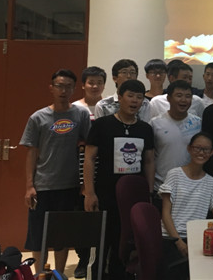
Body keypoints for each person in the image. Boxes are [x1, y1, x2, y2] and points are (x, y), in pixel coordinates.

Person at [20, 69, 90, 275]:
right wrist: (29, 186)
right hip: (42, 185)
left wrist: (86, 185)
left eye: (68, 86)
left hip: (69, 185)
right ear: (51, 88)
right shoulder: (38, 117)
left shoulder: (81, 114)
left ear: (74, 89)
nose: (63, 90)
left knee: (62, 236)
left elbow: (88, 147)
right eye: (59, 86)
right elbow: (32, 153)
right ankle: (40, 274)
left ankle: (59, 275)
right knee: (38, 236)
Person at [84, 79, 155, 280]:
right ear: (120, 98)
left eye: (139, 97)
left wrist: (149, 193)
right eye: (130, 96)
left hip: (134, 199)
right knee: (101, 244)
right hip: (106, 195)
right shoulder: (102, 125)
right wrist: (89, 193)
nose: (134, 101)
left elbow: (149, 162)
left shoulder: (145, 129)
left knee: (126, 246)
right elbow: (89, 158)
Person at [160, 132, 213, 280]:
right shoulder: (174, 174)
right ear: (189, 148)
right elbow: (165, 214)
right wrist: (179, 242)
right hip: (171, 239)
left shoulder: (211, 182)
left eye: (206, 149)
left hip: (196, 240)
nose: (201, 152)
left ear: (212, 152)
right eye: (197, 148)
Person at [71, 66, 106, 278]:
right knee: (80, 216)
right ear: (83, 85)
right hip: (80, 166)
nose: (95, 86)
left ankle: (100, 259)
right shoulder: (76, 108)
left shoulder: (107, 106)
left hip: (103, 167)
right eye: (91, 82)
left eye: (99, 82)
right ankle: (83, 259)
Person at [151, 80, 202, 208]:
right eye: (179, 95)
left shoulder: (198, 124)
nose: (184, 100)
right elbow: (149, 159)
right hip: (162, 188)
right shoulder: (155, 124)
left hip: (191, 188)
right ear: (169, 98)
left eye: (188, 96)